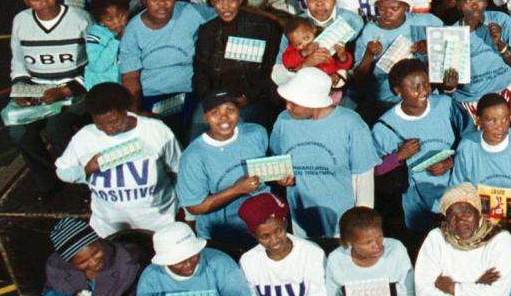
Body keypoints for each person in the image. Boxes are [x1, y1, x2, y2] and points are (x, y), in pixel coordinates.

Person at [55, 81, 179, 234]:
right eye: (100, 124)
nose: (108, 129)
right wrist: (86, 169)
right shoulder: (84, 137)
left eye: (114, 121)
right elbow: (62, 172)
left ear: (126, 109)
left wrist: (185, 213)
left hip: (159, 225)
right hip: (109, 228)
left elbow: (179, 171)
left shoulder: (156, 131)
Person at [270, 67, 380, 238]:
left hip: (343, 225)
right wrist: (281, 177)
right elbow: (277, 159)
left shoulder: (351, 124)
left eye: (294, 103)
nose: (287, 107)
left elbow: (364, 177)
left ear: (313, 103)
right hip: (301, 222)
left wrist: (361, 225)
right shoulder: (283, 120)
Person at [9, 0, 89, 197]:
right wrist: (21, 90)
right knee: (19, 133)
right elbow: (18, 62)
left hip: (75, 91)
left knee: (56, 128)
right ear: (26, 1)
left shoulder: (80, 18)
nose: (44, 3)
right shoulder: (21, 20)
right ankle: (49, 184)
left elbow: (95, 65)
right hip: (38, 90)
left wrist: (65, 90)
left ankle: (80, 181)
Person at [371, 58, 468, 233]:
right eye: (415, 87)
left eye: (426, 84)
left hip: (458, 198)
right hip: (418, 208)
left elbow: (472, 143)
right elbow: (374, 170)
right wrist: (398, 156)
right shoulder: (385, 127)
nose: (423, 90)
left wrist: (449, 163)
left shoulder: (445, 105)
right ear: (398, 91)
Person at [176, 91, 268, 254]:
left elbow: (271, 168)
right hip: (221, 235)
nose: (224, 118)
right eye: (215, 113)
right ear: (205, 117)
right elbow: (194, 207)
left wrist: (284, 178)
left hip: (263, 229)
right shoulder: (193, 156)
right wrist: (237, 189)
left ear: (239, 112)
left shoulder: (256, 133)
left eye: (230, 110)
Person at [193, 0, 283, 129]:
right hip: (217, 98)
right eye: (219, 0)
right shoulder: (207, 30)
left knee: (243, 127)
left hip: (255, 97)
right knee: (199, 127)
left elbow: (271, 69)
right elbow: (201, 72)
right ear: (212, 1)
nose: (225, 7)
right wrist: (212, 100)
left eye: (231, 0)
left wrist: (250, 96)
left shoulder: (264, 27)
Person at [351, 0, 440, 118]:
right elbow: (358, 79)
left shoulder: (425, 22)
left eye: (394, 8)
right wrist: (368, 55)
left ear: (406, 7)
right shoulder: (369, 32)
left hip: (424, 92)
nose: (387, 14)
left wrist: (432, 45)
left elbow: (454, 46)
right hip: (387, 99)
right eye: (381, 8)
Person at [446, 0, 511, 117]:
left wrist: (500, 44)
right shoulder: (451, 34)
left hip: (505, 92)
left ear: (487, 1)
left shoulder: (501, 20)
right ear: (458, 5)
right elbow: (450, 84)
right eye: (467, 0)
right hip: (472, 101)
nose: (474, 4)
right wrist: (450, 86)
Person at [450, 92, 511, 200]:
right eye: (492, 121)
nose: (500, 127)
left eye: (505, 119)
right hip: (478, 214)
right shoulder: (467, 146)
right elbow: (457, 190)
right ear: (478, 120)